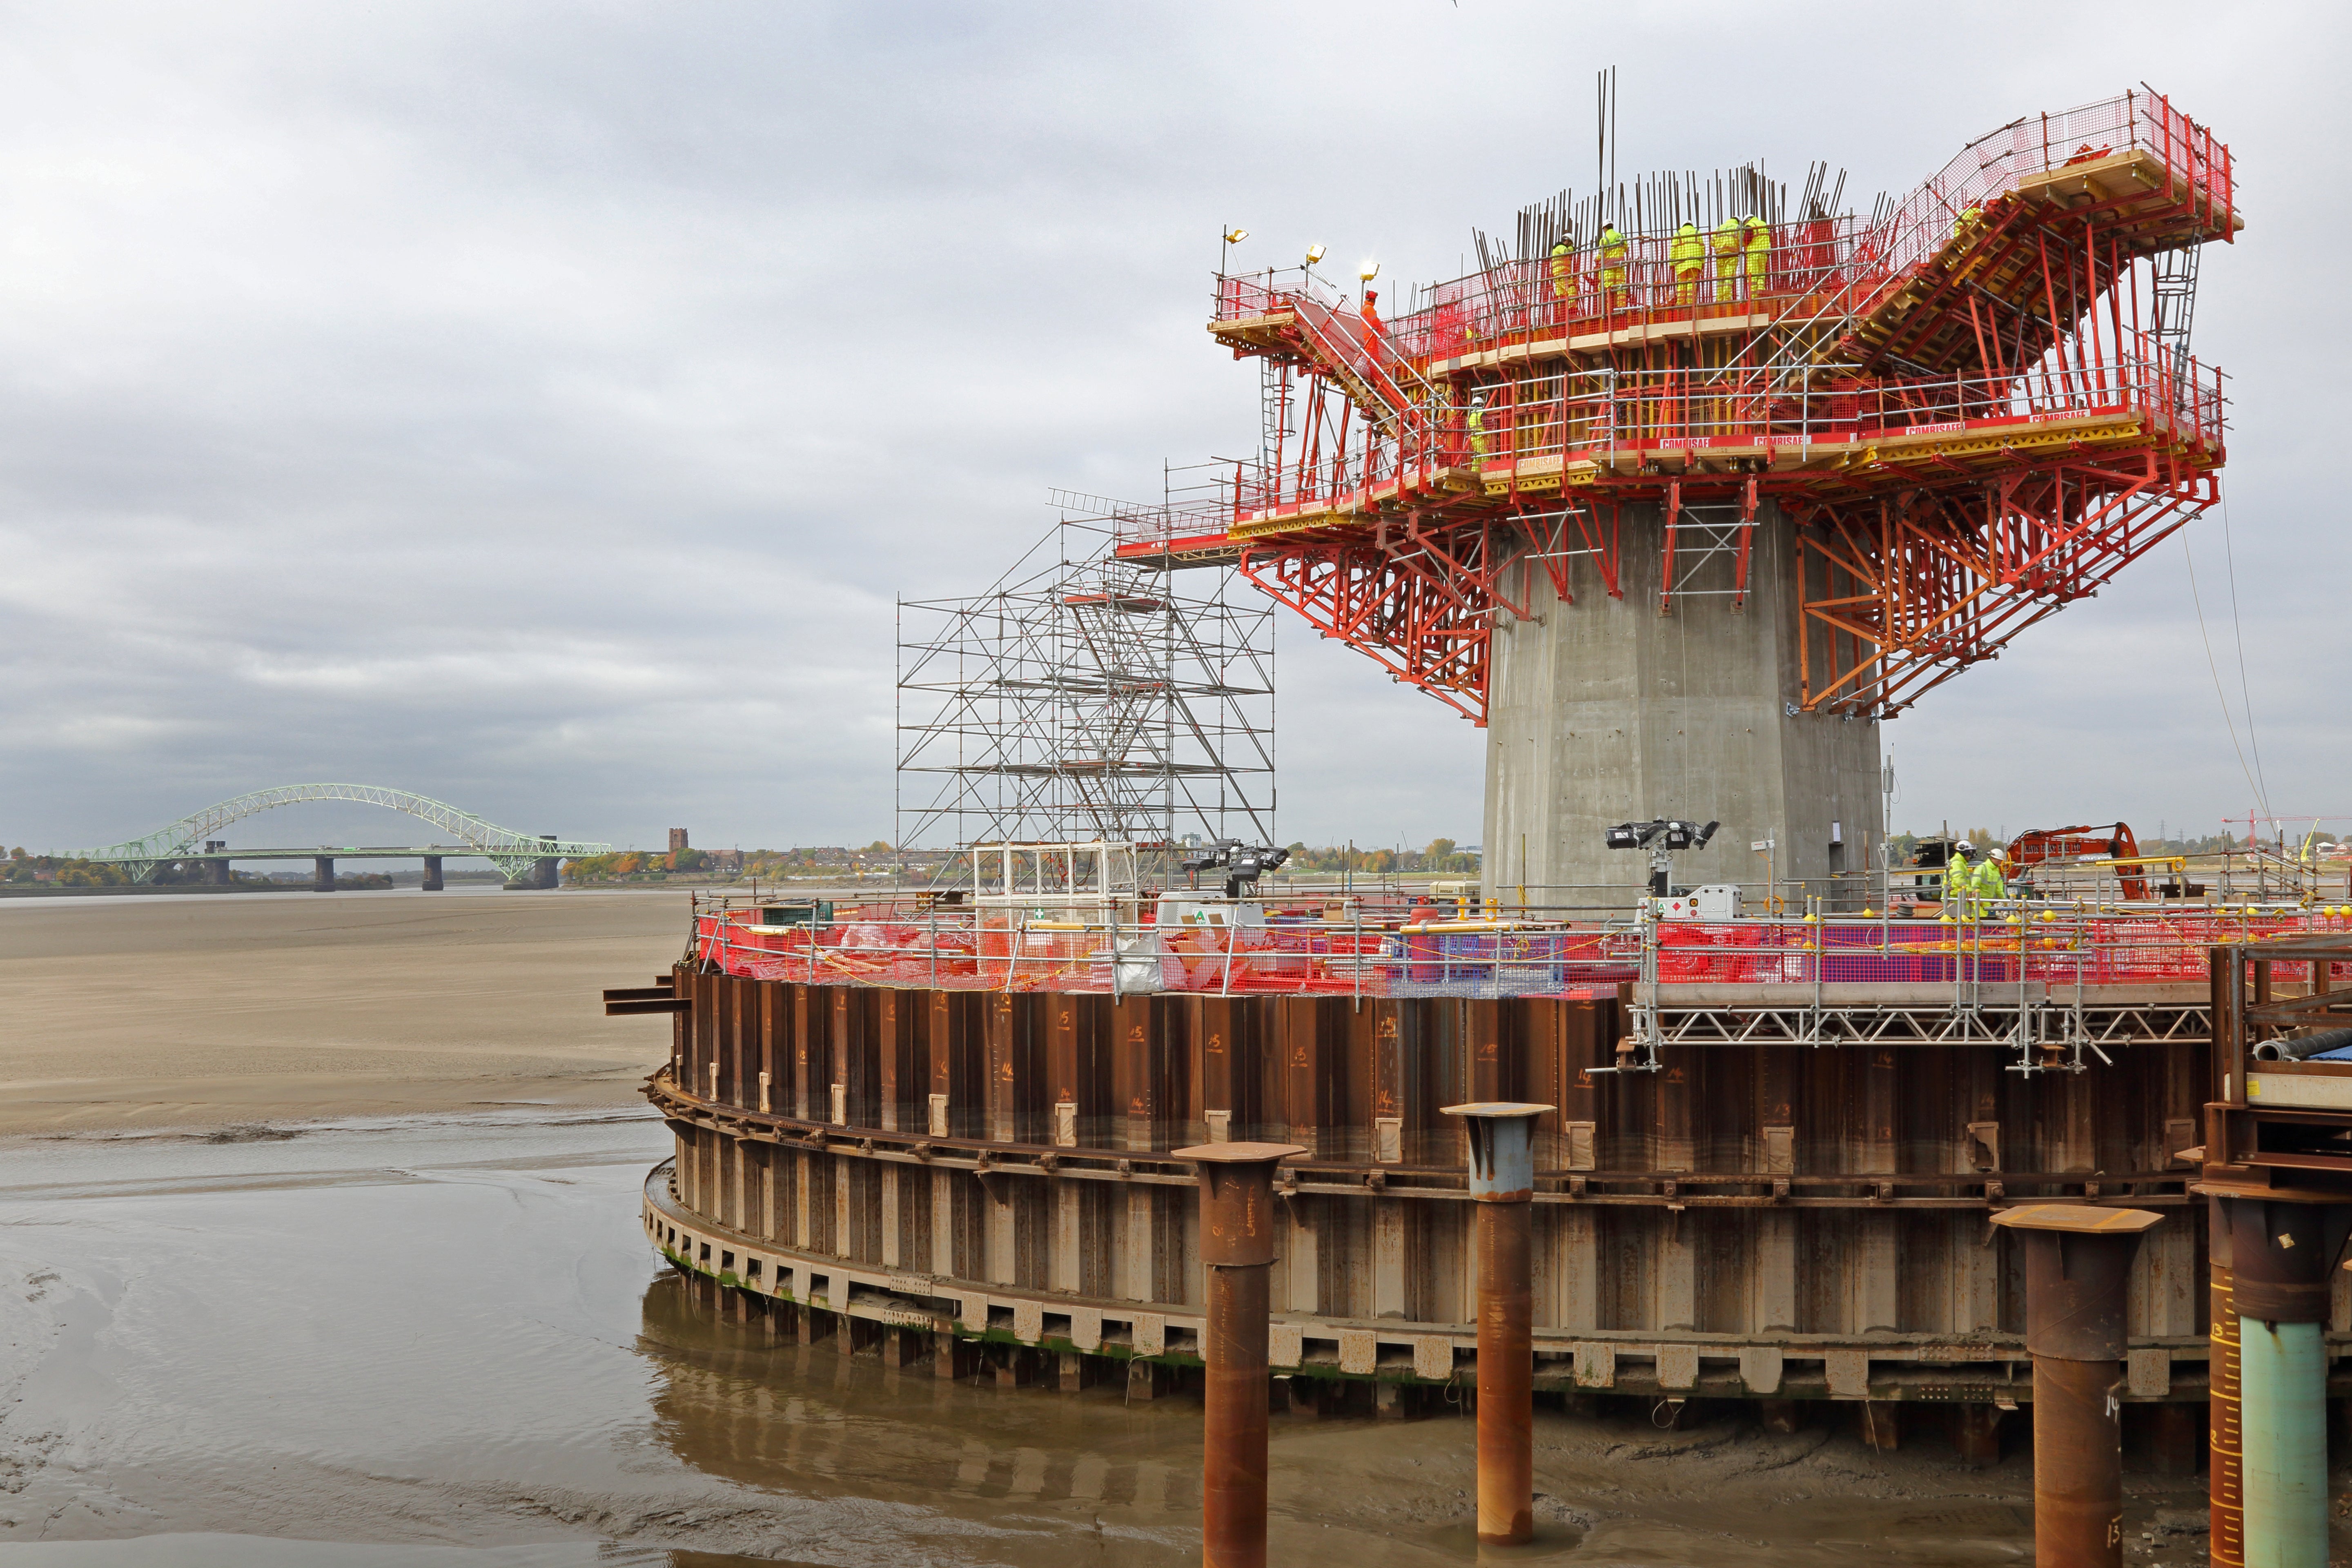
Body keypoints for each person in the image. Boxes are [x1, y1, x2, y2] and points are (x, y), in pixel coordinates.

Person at [1711, 216, 1744, 304]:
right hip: (1732, 254)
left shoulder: (1719, 228)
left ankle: (1719, 298)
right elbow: (1742, 241)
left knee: (1720, 278)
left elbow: (1712, 243)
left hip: (1720, 256)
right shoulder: (1738, 227)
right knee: (1729, 277)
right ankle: (1727, 298)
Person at [1670, 221, 1704, 307]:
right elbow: (1702, 248)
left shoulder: (1678, 233)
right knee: (1691, 282)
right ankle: (1690, 303)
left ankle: (1681, 303)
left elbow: (1673, 250)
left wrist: (1671, 264)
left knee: (1682, 284)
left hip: (1681, 264)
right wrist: (1702, 262)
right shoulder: (1697, 233)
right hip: (1694, 262)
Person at [1741, 214, 1771, 303]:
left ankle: (1753, 296)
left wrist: (1743, 243)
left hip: (1753, 254)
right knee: (1762, 273)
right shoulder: (1763, 224)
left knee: (1752, 275)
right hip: (1764, 253)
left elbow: (1747, 239)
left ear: (1747, 221)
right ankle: (1761, 291)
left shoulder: (1750, 225)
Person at [1598, 224, 1629, 310]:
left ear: (1605, 229)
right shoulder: (1621, 236)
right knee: (1621, 286)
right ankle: (1621, 307)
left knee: (1609, 287)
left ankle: (1610, 309)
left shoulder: (1604, 240)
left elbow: (1601, 255)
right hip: (1620, 265)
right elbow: (1626, 249)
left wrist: (1596, 260)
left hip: (1608, 268)